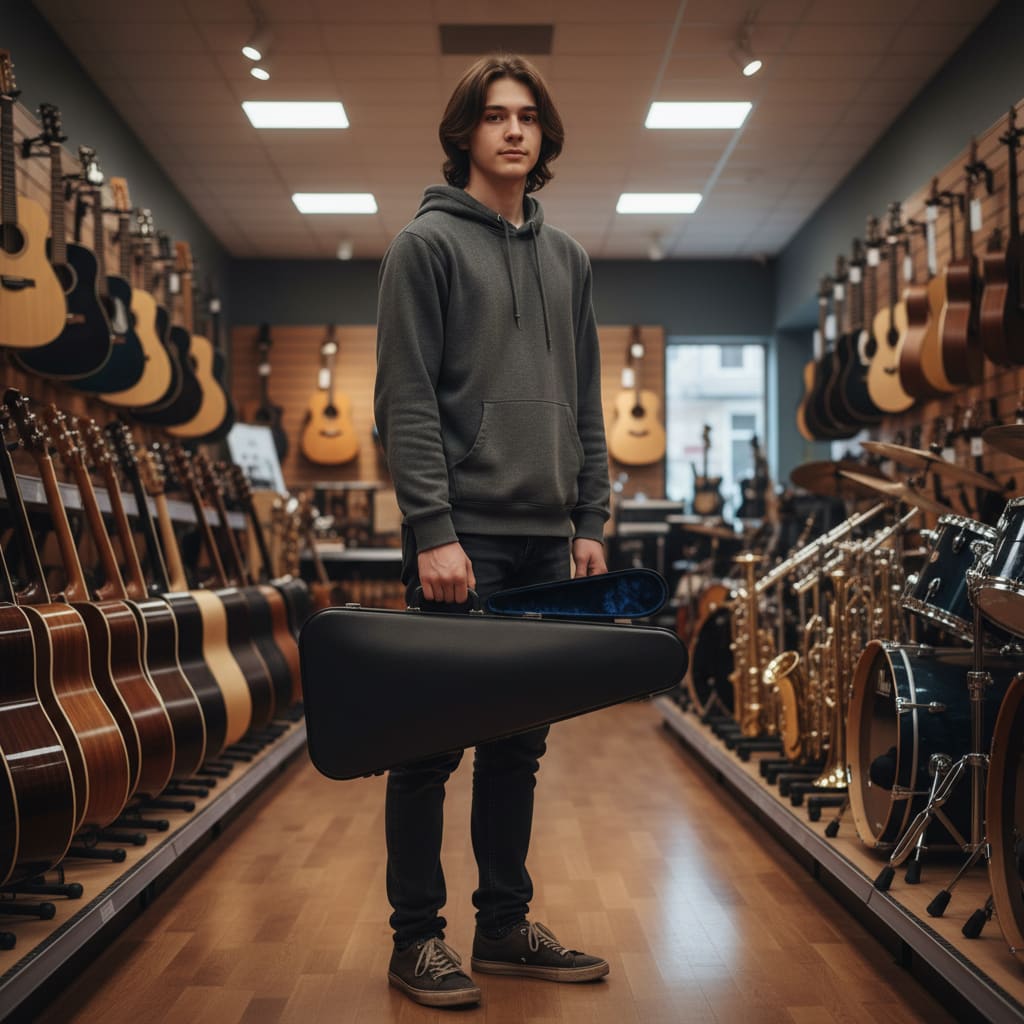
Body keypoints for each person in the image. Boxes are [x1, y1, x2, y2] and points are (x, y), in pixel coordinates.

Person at [373, 53, 611, 1009]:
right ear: (464, 134)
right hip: (457, 537)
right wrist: (433, 528)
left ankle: (504, 926)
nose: (513, 130)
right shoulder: (421, 248)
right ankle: (415, 939)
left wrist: (589, 518)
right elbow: (406, 402)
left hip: (546, 541)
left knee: (519, 743)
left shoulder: (570, 261)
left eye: (527, 117)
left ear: (544, 135)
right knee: (427, 743)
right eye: (493, 116)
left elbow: (585, 403)